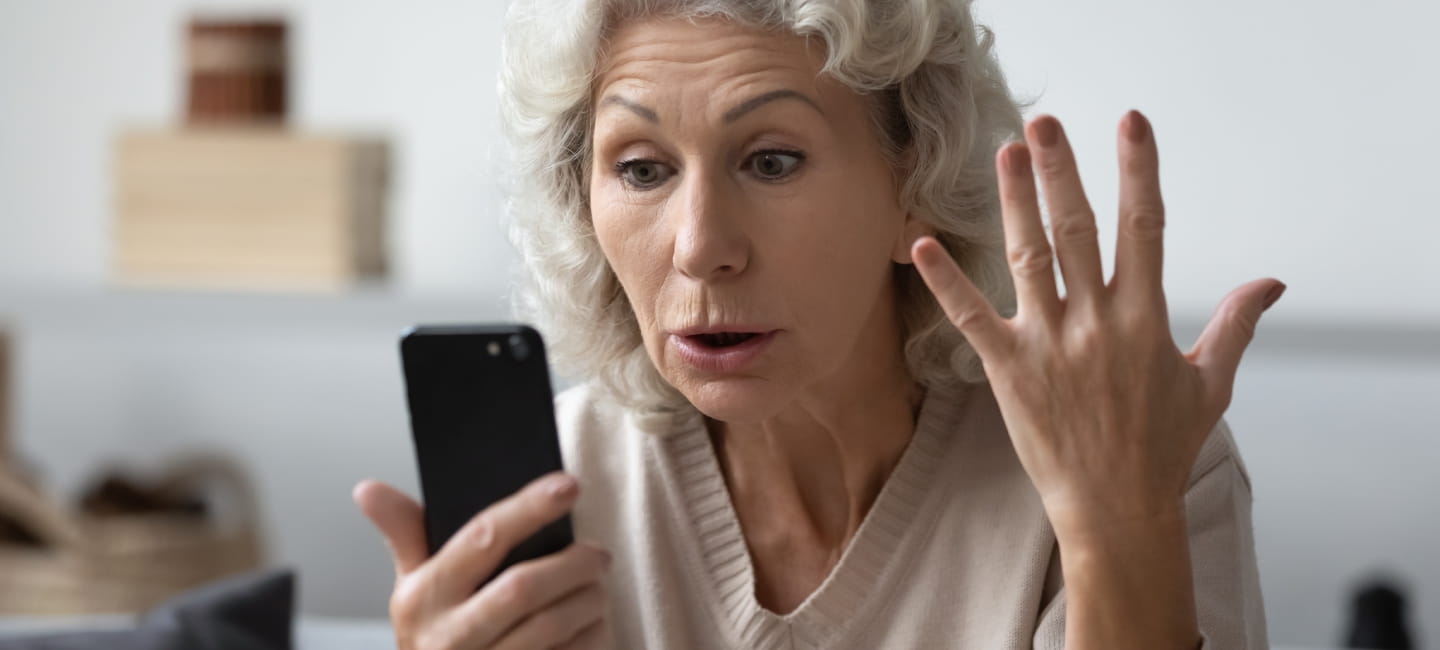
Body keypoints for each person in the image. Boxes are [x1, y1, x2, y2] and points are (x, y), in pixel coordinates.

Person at [354, 0, 1279, 647]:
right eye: (641, 169)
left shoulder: (1141, 457)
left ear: (914, 186)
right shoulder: (556, 489)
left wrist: (1117, 525)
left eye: (771, 160)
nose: (701, 247)